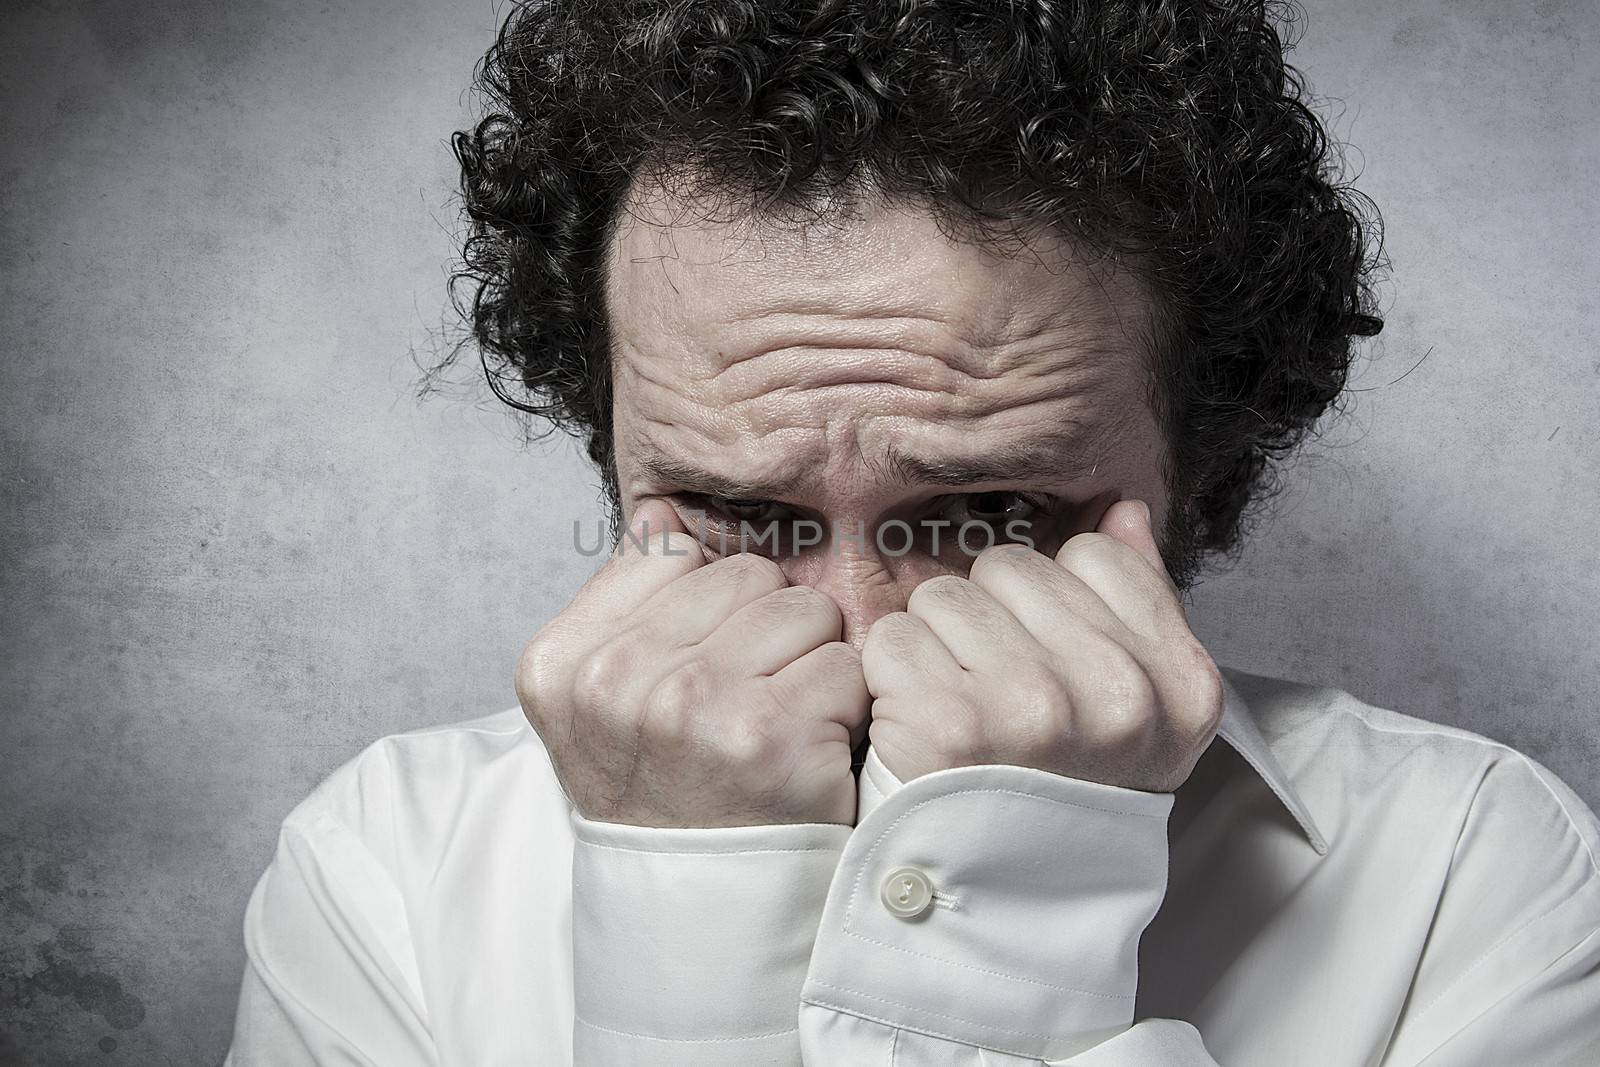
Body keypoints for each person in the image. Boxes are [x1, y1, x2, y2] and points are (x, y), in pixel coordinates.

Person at [224, 1, 1600, 1063]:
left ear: (1201, 459)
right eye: (743, 516)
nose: (860, 629)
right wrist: (684, 919)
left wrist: (1015, 915)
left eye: (978, 518)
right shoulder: (388, 866)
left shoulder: (1467, 873)